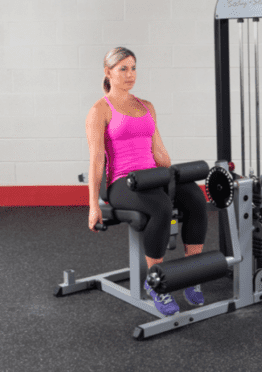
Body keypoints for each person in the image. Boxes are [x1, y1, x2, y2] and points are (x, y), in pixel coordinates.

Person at [85, 47, 208, 316]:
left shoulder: (146, 106)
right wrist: (93, 205)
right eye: (123, 69)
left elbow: (160, 152)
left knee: (197, 199)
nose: (130, 75)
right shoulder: (99, 111)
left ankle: (191, 275)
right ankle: (157, 284)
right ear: (108, 72)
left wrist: (178, 179)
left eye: (133, 68)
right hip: (122, 183)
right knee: (161, 207)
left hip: (153, 175)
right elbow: (96, 160)